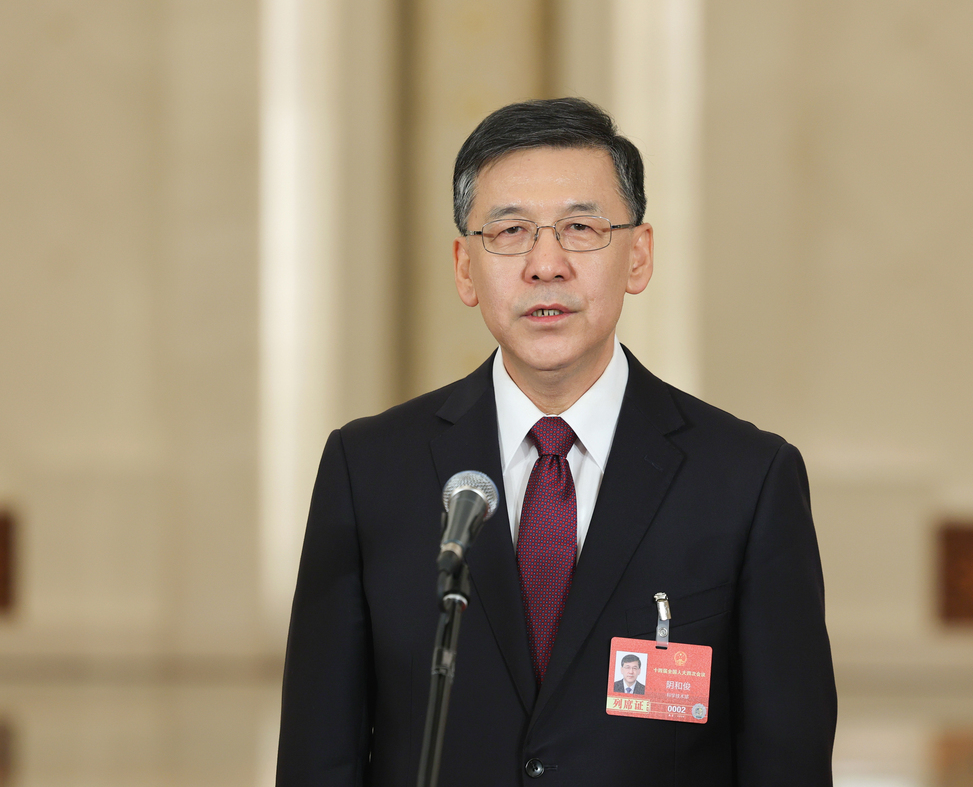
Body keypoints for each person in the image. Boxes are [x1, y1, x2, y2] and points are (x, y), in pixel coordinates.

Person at [276, 97, 836, 786]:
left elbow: (787, 760)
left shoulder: (747, 481)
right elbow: (319, 756)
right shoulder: (368, 472)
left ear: (638, 256)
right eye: (510, 231)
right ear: (464, 267)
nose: (546, 265)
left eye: (580, 228)